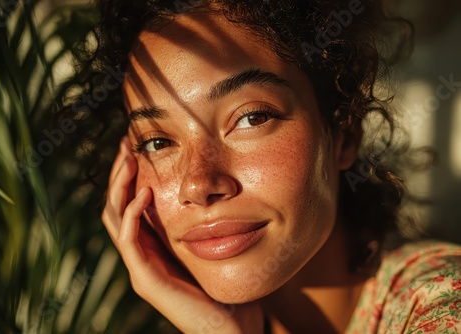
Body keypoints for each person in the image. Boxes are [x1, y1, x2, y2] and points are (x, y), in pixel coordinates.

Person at [96, 0, 461, 332]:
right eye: (158, 143)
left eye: (252, 118)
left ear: (343, 135)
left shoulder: (443, 302)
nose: (198, 184)